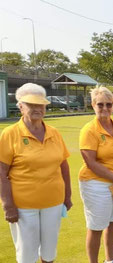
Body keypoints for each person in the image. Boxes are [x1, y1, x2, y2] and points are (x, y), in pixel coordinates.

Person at [0, 83, 72, 263]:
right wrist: (8, 204)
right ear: (20, 106)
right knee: (26, 255)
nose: (37, 108)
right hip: (23, 205)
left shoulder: (54, 133)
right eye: (31, 104)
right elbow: (1, 171)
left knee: (49, 252)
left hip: (53, 202)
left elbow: (63, 165)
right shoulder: (10, 134)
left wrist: (67, 195)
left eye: (41, 104)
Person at [79, 86, 113, 263]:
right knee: (96, 226)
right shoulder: (89, 130)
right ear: (93, 105)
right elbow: (91, 163)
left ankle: (110, 260)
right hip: (95, 183)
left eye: (108, 105)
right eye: (100, 104)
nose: (105, 108)